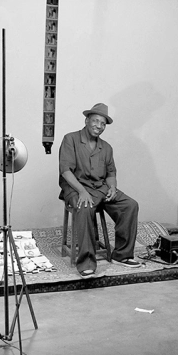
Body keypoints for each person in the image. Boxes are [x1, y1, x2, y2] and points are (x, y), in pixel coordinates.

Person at [58, 103, 141, 277]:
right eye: (95, 121)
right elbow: (66, 171)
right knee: (85, 207)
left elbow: (111, 173)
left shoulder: (106, 147)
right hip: (76, 188)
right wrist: (81, 191)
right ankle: (86, 262)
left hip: (100, 189)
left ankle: (122, 255)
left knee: (130, 205)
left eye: (103, 124)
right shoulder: (70, 139)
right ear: (87, 120)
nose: (99, 126)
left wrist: (112, 187)